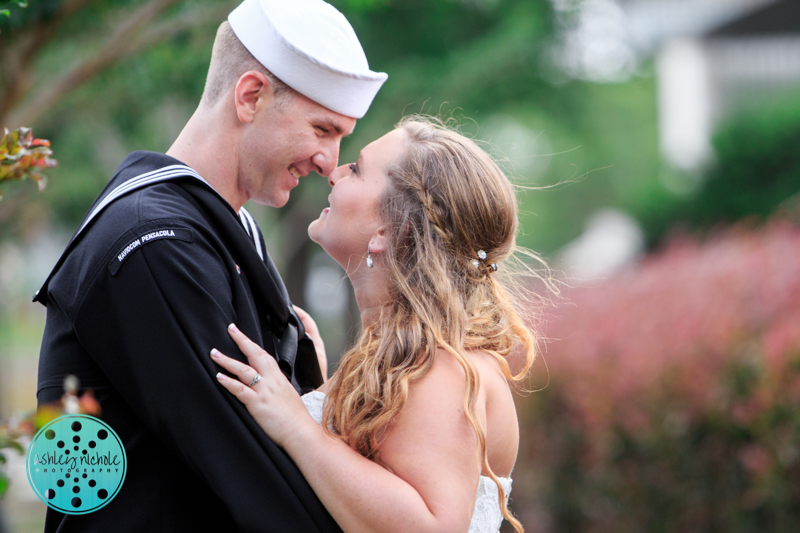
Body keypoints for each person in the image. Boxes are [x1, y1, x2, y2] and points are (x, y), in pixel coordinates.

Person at [33, 0, 385, 531]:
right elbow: (253, 468)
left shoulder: (221, 229)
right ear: (250, 97)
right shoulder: (152, 241)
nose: (329, 164)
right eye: (322, 129)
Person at [211, 116, 544, 533]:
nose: (333, 173)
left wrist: (299, 424)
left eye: (356, 169)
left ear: (388, 230)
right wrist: (320, 393)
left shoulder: (440, 368)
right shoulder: (408, 359)